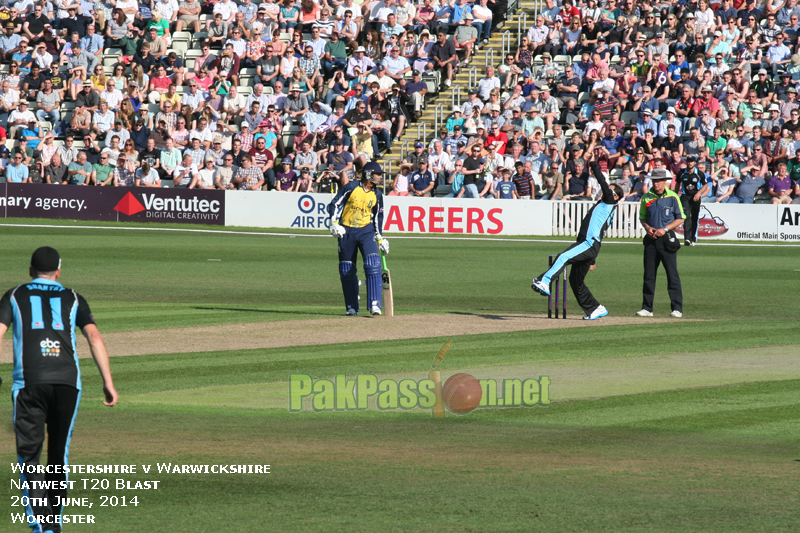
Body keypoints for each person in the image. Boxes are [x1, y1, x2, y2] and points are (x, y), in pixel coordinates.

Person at [0, 247, 118, 533]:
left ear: (30, 270)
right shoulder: (74, 297)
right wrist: (108, 382)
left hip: (29, 382)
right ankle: (55, 524)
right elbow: (94, 337)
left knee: (30, 455)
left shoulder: (15, 295)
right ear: (59, 271)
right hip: (68, 383)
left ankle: (41, 526)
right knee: (59, 453)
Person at [532, 162, 623, 320]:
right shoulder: (605, 205)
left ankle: (545, 281)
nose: (606, 191)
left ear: (615, 196)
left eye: (610, 190)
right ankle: (595, 308)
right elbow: (597, 230)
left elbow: (602, 182)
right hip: (591, 246)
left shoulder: (609, 202)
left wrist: (594, 166)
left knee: (563, 257)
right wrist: (592, 259)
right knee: (575, 281)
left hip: (588, 243)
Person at [327, 162, 389, 316]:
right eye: (377, 174)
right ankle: (352, 307)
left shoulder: (378, 194)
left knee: (373, 263)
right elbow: (334, 204)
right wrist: (334, 223)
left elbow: (377, 218)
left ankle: (375, 304)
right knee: (346, 269)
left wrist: (380, 238)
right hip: (346, 231)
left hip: (366, 231)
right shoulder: (351, 187)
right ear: (368, 174)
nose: (380, 177)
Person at [637, 169, 686, 318]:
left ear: (665, 181)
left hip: (667, 240)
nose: (656, 184)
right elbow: (642, 218)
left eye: (658, 181)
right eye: (654, 181)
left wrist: (664, 229)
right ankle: (647, 308)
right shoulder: (647, 197)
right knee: (649, 276)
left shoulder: (672, 197)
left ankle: (677, 308)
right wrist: (647, 227)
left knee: (672, 274)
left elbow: (681, 218)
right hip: (651, 240)